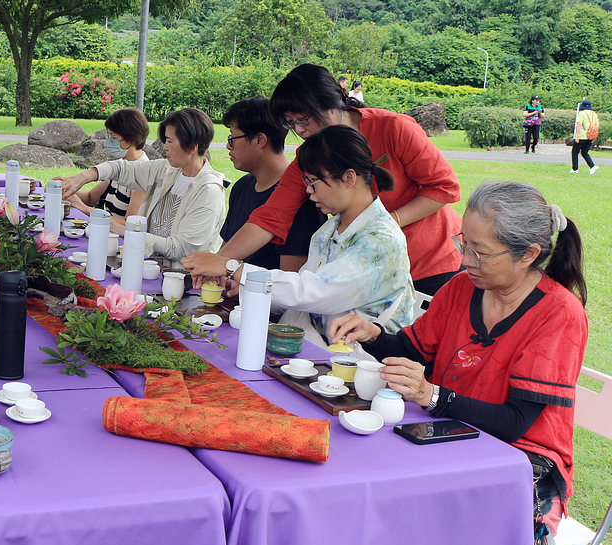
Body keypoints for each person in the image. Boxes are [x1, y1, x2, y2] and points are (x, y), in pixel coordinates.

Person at [329, 181, 587, 545]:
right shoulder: (461, 287)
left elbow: (516, 422)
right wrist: (371, 334)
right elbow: (411, 352)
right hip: (452, 433)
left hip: (517, 461)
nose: (465, 260)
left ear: (528, 254)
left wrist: (429, 394)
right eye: (463, 244)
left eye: (479, 252)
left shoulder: (560, 314)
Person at [181, 64, 463, 296]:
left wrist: (379, 225)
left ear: (332, 104)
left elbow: (445, 187)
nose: (301, 131)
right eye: (291, 124)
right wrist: (219, 261)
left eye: (304, 120)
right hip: (364, 266)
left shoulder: (394, 128)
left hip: (429, 263)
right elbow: (270, 217)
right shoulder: (308, 158)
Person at [230, 125, 414, 344]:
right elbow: (304, 287)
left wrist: (235, 269)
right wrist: (243, 287)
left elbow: (313, 292)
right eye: (306, 182)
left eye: (313, 182)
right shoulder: (329, 229)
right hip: (321, 347)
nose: (308, 190)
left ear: (348, 178)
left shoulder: (381, 240)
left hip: (362, 360)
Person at [59, 107, 226, 263]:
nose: (165, 147)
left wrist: (126, 231)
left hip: (181, 279)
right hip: (148, 263)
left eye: (169, 141)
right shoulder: (166, 169)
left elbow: (181, 248)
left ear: (192, 147)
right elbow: (120, 168)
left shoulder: (208, 191)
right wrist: (81, 178)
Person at [219, 97, 324, 272]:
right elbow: (223, 253)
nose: (228, 146)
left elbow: (290, 282)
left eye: (232, 139)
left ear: (260, 140)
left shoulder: (302, 200)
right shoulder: (241, 187)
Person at [69, 108, 150, 227]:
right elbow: (92, 198)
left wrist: (85, 209)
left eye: (113, 137)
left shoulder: (141, 175)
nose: (110, 142)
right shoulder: (120, 166)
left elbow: (129, 224)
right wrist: (65, 188)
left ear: (131, 138)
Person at [571, 99, 600, 175]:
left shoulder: (582, 113)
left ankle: (575, 169)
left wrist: (576, 135)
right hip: (590, 136)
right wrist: (593, 136)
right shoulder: (594, 114)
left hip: (582, 135)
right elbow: (597, 126)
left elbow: (579, 124)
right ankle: (592, 166)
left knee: (575, 152)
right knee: (584, 152)